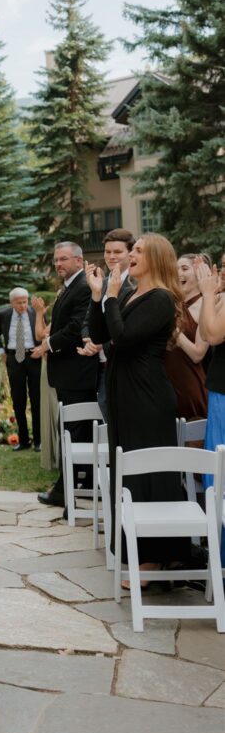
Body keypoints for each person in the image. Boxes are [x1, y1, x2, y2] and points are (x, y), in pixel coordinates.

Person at [88, 233, 189, 580]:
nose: (132, 254)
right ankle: (138, 548)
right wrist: (99, 295)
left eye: (140, 251)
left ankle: (156, 556)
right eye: (134, 249)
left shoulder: (161, 298)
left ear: (157, 260)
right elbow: (102, 333)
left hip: (147, 397)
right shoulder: (131, 293)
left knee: (149, 475)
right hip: (126, 396)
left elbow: (126, 339)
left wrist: (113, 298)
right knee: (128, 472)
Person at [34, 242, 98, 508]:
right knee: (73, 432)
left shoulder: (82, 287)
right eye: (56, 260)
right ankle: (82, 482)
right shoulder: (69, 287)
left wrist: (46, 345)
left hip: (77, 374)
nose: (58, 264)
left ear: (78, 260)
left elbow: (74, 329)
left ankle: (65, 489)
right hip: (66, 374)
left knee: (74, 432)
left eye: (63, 259)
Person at [79, 229, 135, 421]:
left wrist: (100, 343)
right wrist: (89, 341)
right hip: (100, 368)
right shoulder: (101, 283)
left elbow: (129, 327)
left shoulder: (135, 285)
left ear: (130, 253)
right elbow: (87, 321)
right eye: (108, 251)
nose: (111, 256)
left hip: (125, 368)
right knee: (108, 422)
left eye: (117, 252)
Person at [195, 258, 225, 562]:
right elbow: (205, 333)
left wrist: (206, 296)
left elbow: (213, 336)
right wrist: (211, 299)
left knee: (221, 475)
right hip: (219, 392)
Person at [0, 288, 41, 451]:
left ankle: (39, 441)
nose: (22, 305)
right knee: (18, 400)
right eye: (19, 303)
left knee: (36, 400)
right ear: (12, 302)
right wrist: (1, 352)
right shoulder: (3, 315)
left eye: (25, 302)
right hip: (14, 359)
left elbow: (43, 332)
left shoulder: (35, 313)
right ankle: (24, 440)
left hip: (34, 358)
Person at [164, 254, 209, 421]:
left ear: (200, 274)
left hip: (189, 387)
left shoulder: (205, 305)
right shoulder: (171, 304)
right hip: (165, 385)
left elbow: (198, 354)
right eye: (175, 269)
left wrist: (174, 330)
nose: (178, 273)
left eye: (184, 268)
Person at [32, 295, 59, 471]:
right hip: (46, 364)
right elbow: (40, 335)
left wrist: (40, 313)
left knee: (55, 409)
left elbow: (42, 335)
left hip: (53, 365)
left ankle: (58, 453)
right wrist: (40, 313)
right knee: (48, 408)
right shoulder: (57, 316)